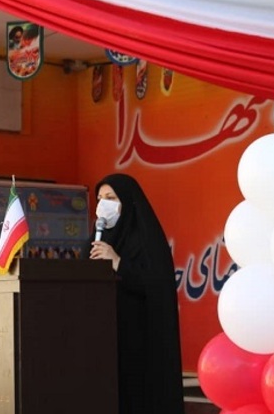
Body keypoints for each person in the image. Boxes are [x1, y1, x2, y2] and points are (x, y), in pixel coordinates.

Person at [81, 173, 185, 414]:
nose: (103, 204)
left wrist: (118, 262)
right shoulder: (94, 242)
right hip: (102, 341)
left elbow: (158, 286)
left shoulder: (146, 240)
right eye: (100, 199)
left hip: (138, 342)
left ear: (127, 201)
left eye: (111, 198)